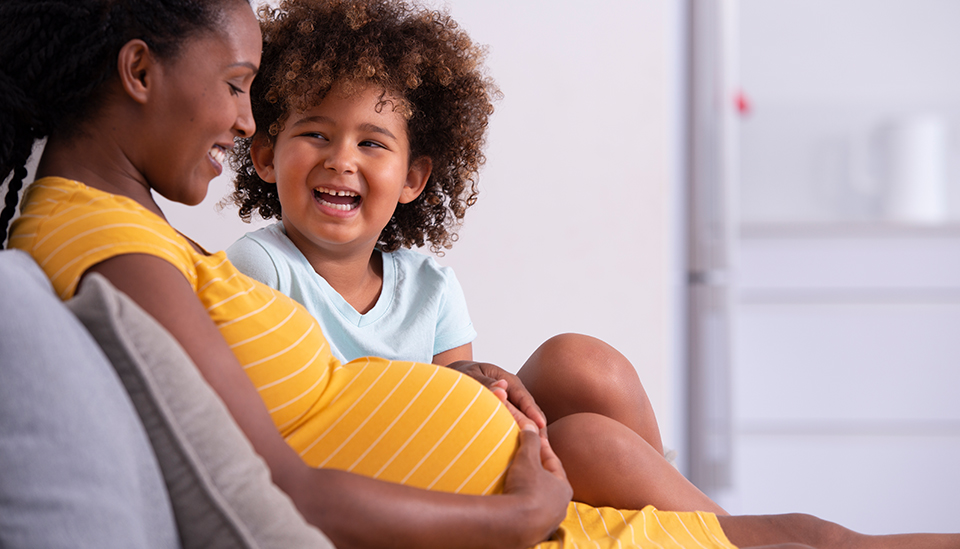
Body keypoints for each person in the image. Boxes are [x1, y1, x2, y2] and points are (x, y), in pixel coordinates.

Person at [2, 0, 959, 548]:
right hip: (511, 524)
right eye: (239, 84)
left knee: (808, 533)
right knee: (819, 542)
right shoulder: (107, 247)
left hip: (510, 503)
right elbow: (281, 487)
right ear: (138, 71)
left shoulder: (125, 232)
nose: (247, 120)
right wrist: (521, 513)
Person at [224, 0, 714, 513]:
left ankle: (687, 511)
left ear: (412, 179)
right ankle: (721, 532)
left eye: (372, 143)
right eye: (316, 134)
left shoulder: (430, 286)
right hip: (364, 481)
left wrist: (483, 379)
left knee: (584, 365)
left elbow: (458, 414)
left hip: (444, 456)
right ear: (265, 156)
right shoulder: (260, 267)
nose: (341, 159)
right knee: (586, 445)